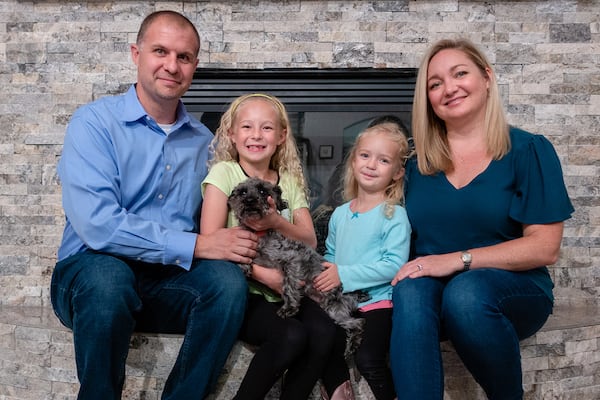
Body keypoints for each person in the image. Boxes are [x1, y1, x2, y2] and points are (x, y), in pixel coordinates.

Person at [50, 11, 257, 400]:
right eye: (160, 51)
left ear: (194, 65)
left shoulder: (204, 142)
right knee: (109, 279)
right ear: (136, 53)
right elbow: (98, 226)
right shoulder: (94, 122)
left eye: (184, 57)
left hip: (164, 282)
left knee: (227, 285)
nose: (172, 66)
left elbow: (214, 215)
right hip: (89, 277)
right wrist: (198, 245)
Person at [389, 38, 574, 399]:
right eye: (435, 83)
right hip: (432, 292)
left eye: (460, 73)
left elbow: (545, 247)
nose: (449, 88)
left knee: (466, 292)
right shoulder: (415, 165)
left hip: (511, 290)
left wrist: (457, 261)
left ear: (487, 77)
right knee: (409, 289)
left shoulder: (529, 150)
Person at [200, 93, 345, 399]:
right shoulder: (223, 174)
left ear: (281, 136)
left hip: (289, 290)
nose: (256, 135)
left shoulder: (288, 180)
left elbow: (309, 239)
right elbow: (211, 243)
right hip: (246, 292)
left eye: (266, 128)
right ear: (232, 134)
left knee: (324, 331)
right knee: (291, 335)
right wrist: (264, 276)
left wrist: (276, 222)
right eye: (247, 127)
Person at [315, 123, 411, 400]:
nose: (371, 165)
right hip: (341, 301)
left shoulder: (394, 215)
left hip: (377, 303)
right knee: (320, 341)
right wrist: (325, 279)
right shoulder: (340, 214)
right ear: (354, 160)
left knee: (369, 358)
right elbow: (331, 255)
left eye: (383, 160)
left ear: (397, 172)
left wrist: (342, 274)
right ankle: (339, 390)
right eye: (365, 155)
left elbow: (394, 264)